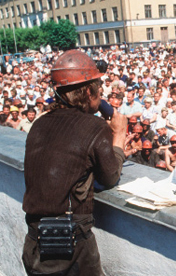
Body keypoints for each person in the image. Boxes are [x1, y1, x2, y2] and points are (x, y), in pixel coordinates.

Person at [22, 50, 128, 275]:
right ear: (89, 91)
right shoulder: (94, 127)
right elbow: (109, 177)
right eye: (99, 89)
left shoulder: (39, 124)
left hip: (35, 242)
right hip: (71, 247)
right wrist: (118, 138)